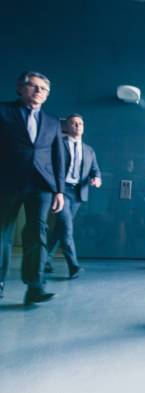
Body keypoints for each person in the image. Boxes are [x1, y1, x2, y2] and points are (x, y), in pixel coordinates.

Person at [0, 71, 65, 304]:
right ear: (20, 88)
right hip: (7, 182)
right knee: (2, 235)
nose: (38, 91)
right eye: (33, 86)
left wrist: (59, 190)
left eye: (43, 89)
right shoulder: (4, 112)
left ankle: (35, 287)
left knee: (37, 233)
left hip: (42, 185)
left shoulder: (53, 122)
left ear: (47, 95)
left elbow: (59, 158)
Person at [44, 113, 102, 279]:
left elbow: (95, 170)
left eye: (80, 124)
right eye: (73, 123)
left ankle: (45, 260)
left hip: (78, 194)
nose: (77, 126)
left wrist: (97, 178)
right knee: (67, 228)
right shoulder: (58, 145)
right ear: (67, 126)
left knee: (60, 229)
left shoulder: (89, 150)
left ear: (83, 128)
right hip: (61, 192)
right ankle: (73, 266)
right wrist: (55, 190)